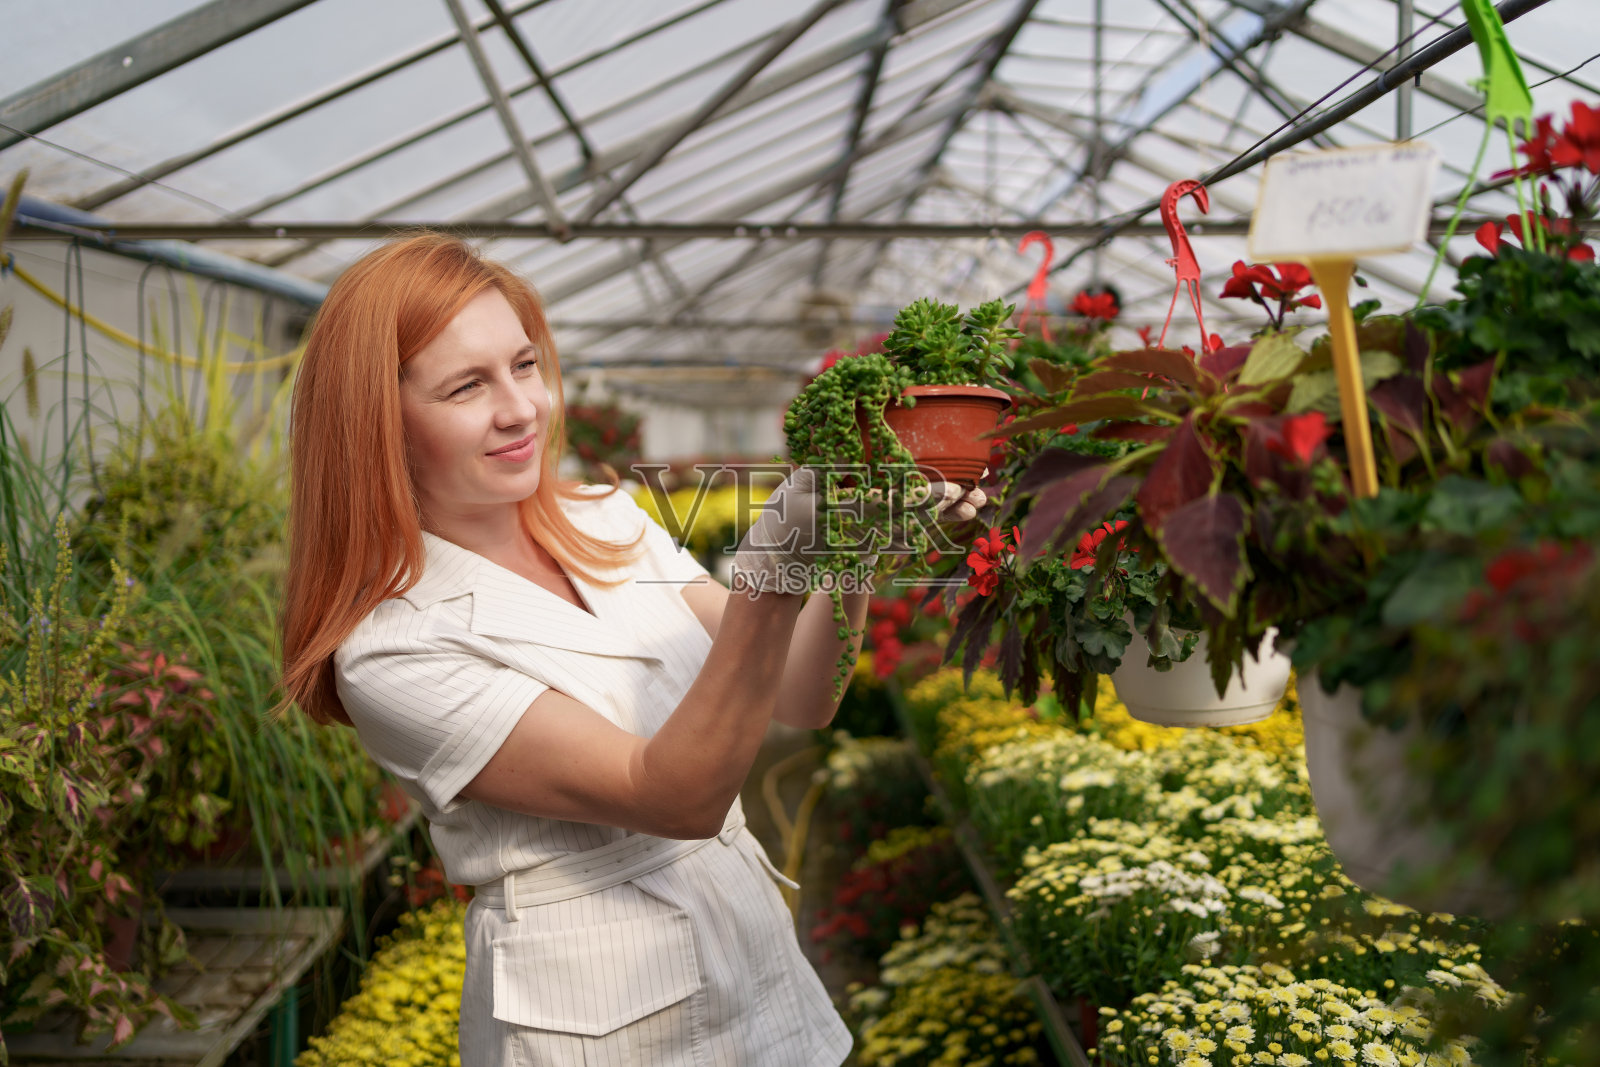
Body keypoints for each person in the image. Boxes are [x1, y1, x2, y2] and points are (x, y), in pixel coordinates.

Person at [277, 232, 985, 1067]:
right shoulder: (396, 647)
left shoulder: (602, 519)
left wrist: (850, 549)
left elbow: (801, 692)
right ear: (376, 423)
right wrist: (772, 570)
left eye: (525, 364)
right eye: (467, 385)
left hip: (756, 975)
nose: (520, 407)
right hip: (602, 1024)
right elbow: (674, 795)